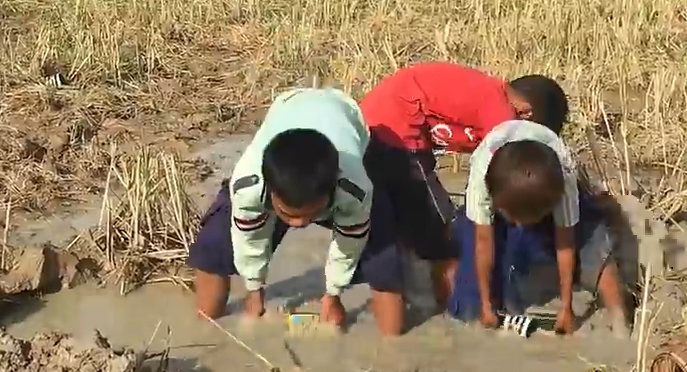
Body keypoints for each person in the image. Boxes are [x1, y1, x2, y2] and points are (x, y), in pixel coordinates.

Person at [186, 87, 405, 337]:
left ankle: (392, 344)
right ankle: (206, 328)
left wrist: (333, 295)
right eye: (288, 215)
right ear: (269, 192)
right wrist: (253, 290)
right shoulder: (248, 185)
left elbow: (349, 245)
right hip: (288, 108)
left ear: (331, 192)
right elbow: (250, 238)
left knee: (384, 259)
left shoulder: (354, 189)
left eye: (310, 215)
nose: (299, 225)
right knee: (213, 246)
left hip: (346, 115)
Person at [360, 61, 568, 305]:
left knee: (412, 223)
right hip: (393, 129)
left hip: (387, 129)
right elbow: (503, 172)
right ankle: (454, 303)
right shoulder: (499, 110)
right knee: (443, 228)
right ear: (525, 113)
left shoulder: (495, 109)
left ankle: (427, 295)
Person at [447, 118, 632, 337]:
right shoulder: (482, 179)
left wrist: (566, 307)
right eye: (513, 218)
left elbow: (566, 241)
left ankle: (620, 314)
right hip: (499, 175)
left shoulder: (565, 180)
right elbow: (483, 242)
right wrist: (486, 305)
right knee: (469, 302)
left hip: (552, 176)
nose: (519, 224)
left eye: (529, 219)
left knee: (592, 240)